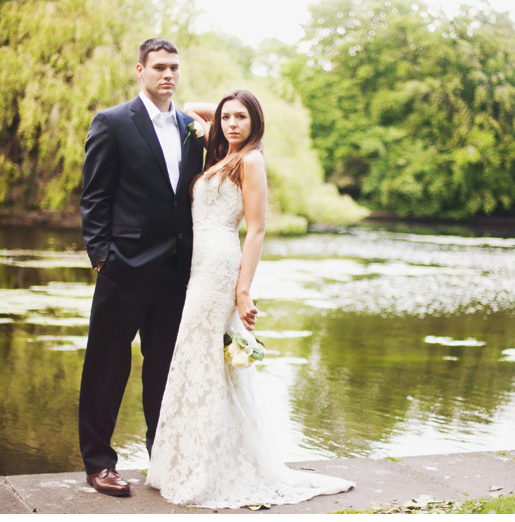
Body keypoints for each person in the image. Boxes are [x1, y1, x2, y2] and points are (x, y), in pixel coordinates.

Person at [146, 89, 355, 508]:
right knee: (194, 358)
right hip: (196, 264)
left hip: (220, 266)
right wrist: (224, 108)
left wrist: (243, 290)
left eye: (242, 117)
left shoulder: (251, 160)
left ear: (256, 122)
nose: (232, 124)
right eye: (227, 118)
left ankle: (212, 470)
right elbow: (190, 109)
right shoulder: (220, 153)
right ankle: (187, 461)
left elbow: (256, 228)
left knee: (203, 358)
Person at [78, 38, 206, 496]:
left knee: (165, 371)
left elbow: (238, 121)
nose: (167, 75)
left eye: (174, 67)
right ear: (140, 70)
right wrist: (102, 258)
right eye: (158, 67)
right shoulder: (113, 122)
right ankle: (99, 464)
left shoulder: (194, 126)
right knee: (106, 366)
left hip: (176, 271)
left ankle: (163, 458)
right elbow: (94, 198)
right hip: (124, 267)